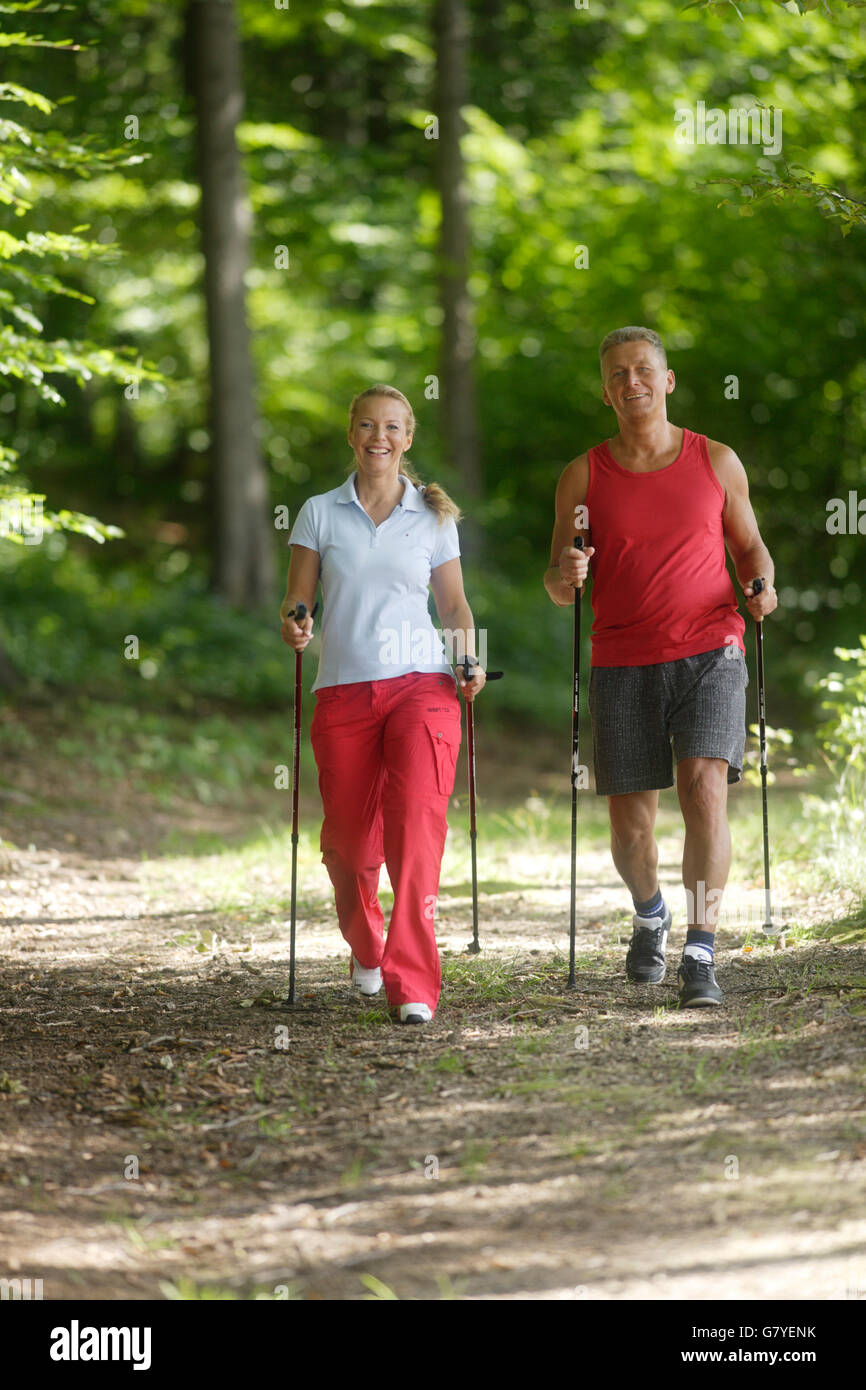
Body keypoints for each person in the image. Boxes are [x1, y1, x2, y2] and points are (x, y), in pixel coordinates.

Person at [544, 327, 778, 1008]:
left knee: (705, 786)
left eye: (644, 369)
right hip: (622, 658)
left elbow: (752, 550)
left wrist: (762, 587)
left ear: (667, 380)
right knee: (632, 824)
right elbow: (558, 584)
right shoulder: (583, 475)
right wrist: (569, 572)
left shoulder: (716, 461)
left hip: (712, 649)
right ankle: (651, 915)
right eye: (617, 373)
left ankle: (700, 952)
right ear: (605, 390)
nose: (631, 382)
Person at [280, 384, 487, 1024]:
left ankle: (415, 981)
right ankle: (368, 947)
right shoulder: (318, 511)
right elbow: (297, 601)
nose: (379, 437)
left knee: (415, 829)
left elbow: (452, 606)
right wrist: (295, 625)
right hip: (343, 687)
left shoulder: (432, 516)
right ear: (351, 434)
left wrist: (468, 657)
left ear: (408, 437)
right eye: (367, 425)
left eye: (392, 427)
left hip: (422, 684)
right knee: (346, 848)